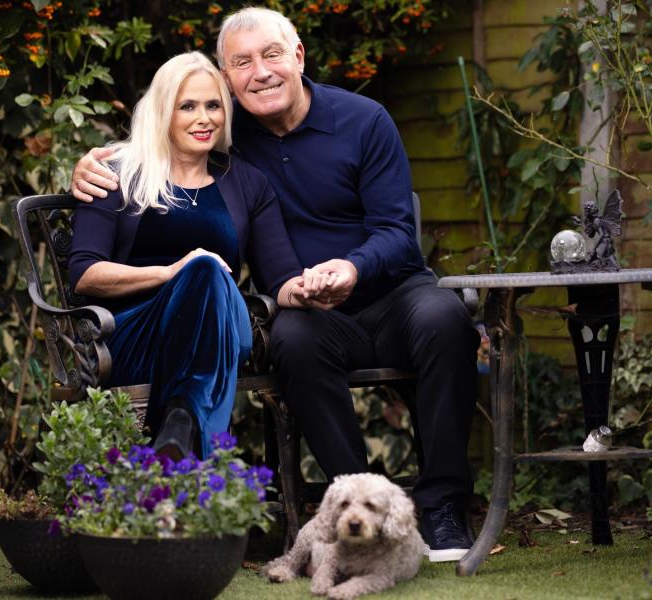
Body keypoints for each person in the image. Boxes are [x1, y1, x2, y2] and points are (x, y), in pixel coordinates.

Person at [70, 8, 481, 563]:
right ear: (226, 75)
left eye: (271, 55)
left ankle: (442, 507)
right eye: (241, 63)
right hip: (287, 313)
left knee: (446, 317)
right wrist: (91, 165)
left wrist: (347, 269)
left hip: (389, 293)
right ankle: (350, 506)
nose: (259, 73)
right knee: (289, 338)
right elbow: (152, 155)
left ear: (299, 56)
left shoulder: (359, 122)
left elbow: (394, 234)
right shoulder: (214, 140)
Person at [68, 51, 310, 460]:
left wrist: (331, 282)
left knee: (208, 274)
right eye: (188, 106)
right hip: (137, 333)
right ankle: (182, 423)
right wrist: (172, 272)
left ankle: (176, 432)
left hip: (222, 324)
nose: (204, 118)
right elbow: (84, 272)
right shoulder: (118, 175)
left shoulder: (246, 182)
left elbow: (282, 274)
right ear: (164, 110)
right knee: (201, 267)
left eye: (213, 105)